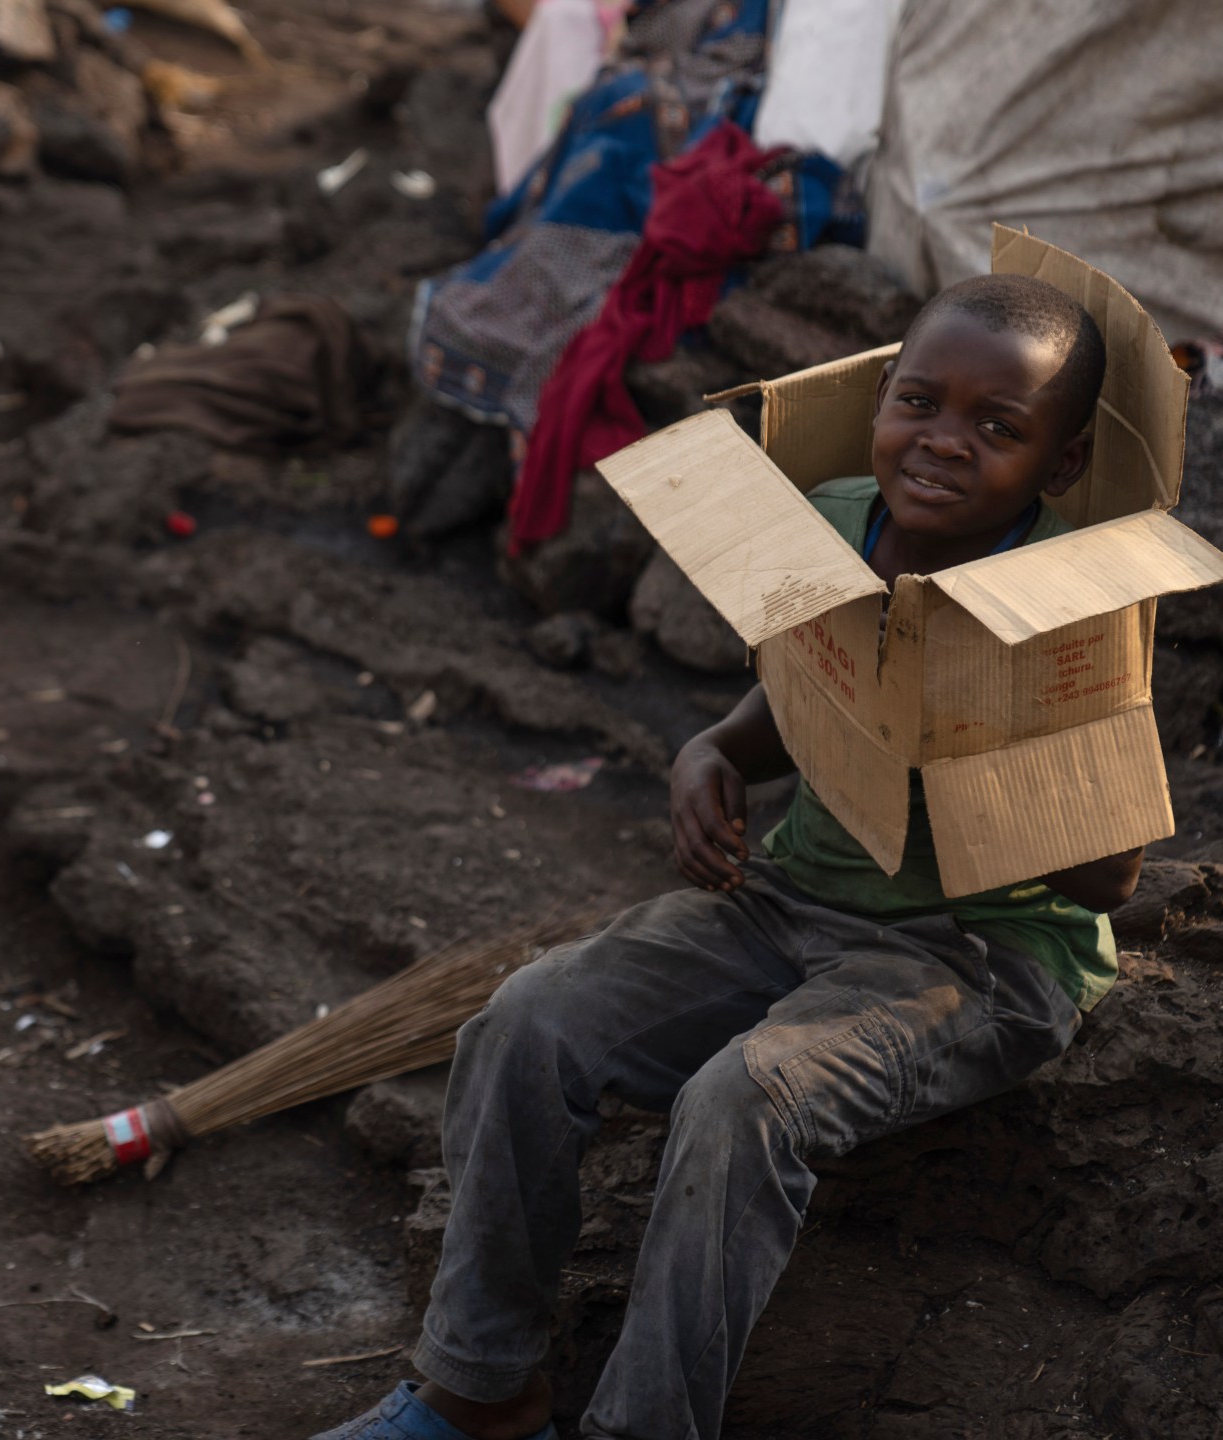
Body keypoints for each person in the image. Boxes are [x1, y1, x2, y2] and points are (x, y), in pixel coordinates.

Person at [316, 274, 1145, 1440]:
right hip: (792, 901)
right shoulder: (833, 513)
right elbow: (802, 690)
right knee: (524, 1021)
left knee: (746, 1094)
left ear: (1057, 468)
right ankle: (477, 1390)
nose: (943, 444)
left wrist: (967, 751)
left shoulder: (1065, 606)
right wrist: (710, 748)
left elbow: (1112, 880)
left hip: (983, 949)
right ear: (880, 402)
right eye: (920, 402)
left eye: (998, 429)